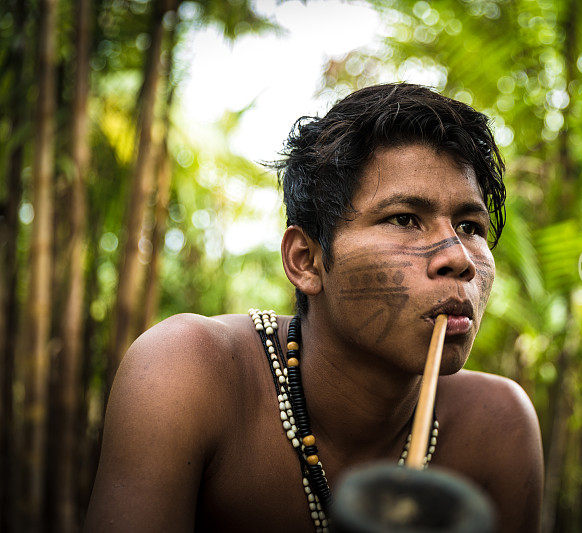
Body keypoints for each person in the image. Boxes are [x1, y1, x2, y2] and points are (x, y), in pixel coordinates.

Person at [85, 83, 543, 532]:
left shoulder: (498, 427)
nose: (459, 258)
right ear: (306, 261)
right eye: (404, 219)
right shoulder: (185, 372)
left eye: (470, 226)